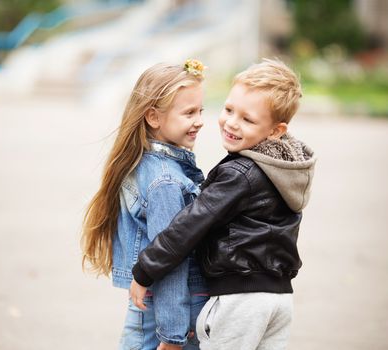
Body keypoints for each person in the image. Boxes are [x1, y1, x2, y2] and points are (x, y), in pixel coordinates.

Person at [130, 58, 317, 350]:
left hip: (240, 299)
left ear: (276, 131)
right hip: (279, 299)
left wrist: (145, 269)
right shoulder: (283, 169)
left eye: (248, 119)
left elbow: (189, 224)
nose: (231, 122)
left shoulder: (240, 173)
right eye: (229, 110)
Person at [81, 59, 209, 350]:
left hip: (158, 310)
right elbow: (171, 260)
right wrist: (173, 337)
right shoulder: (165, 181)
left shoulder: (153, 165)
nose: (200, 120)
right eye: (189, 112)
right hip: (168, 314)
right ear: (153, 118)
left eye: (200, 110)